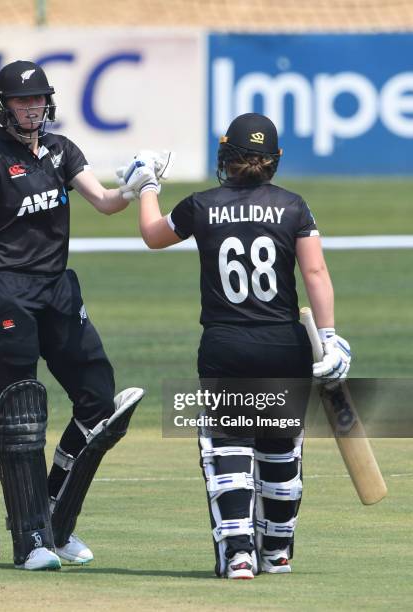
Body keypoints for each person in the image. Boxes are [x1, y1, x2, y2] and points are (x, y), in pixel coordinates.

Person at [117, 113, 351, 579]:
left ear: (227, 157)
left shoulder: (201, 205)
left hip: (225, 345)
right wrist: (328, 338)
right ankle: (277, 552)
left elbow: (151, 236)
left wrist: (146, 185)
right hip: (285, 346)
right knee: (279, 449)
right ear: (274, 160)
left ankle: (239, 554)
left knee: (230, 449)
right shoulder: (294, 207)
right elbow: (316, 273)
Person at [0, 60, 145, 571]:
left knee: (98, 401)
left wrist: (134, 187)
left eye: (39, 99)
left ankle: (56, 517)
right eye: (23, 100)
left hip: (59, 290)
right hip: (9, 293)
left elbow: (104, 202)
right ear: (4, 107)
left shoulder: (62, 151)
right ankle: (32, 539)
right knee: (22, 415)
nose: (33, 107)